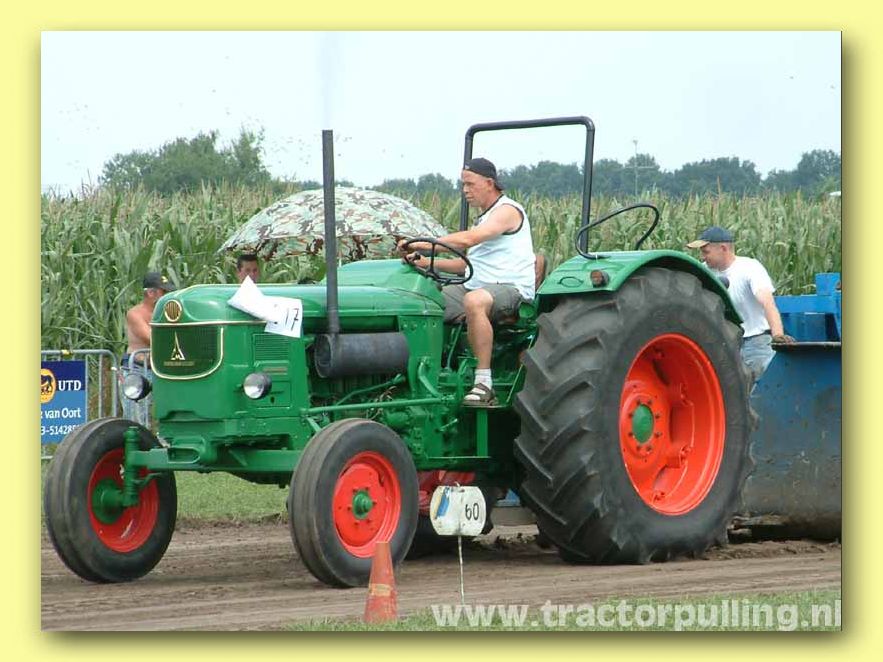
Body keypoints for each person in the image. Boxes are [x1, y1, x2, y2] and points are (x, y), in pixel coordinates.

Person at [399, 157, 535, 406]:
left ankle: (483, 383)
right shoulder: (483, 218)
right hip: (476, 285)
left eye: (470, 184)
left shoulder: (507, 211)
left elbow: (469, 240)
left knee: (474, 301)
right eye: (463, 185)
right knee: (423, 302)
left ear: (489, 183)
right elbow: (466, 265)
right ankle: (421, 373)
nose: (465, 190)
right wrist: (424, 262)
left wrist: (423, 244)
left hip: (511, 290)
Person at [686, 226, 794, 382]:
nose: (702, 257)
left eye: (706, 252)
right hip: (724, 345)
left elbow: (768, 303)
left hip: (755, 342)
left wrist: (777, 335)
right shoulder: (704, 271)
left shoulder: (749, 268)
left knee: (763, 385)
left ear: (723, 248)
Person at [119, 271, 176, 422]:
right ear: (151, 293)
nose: (167, 296)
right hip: (137, 371)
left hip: (160, 371)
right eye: (164, 292)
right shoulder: (135, 314)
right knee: (137, 419)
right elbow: (152, 339)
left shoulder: (167, 313)